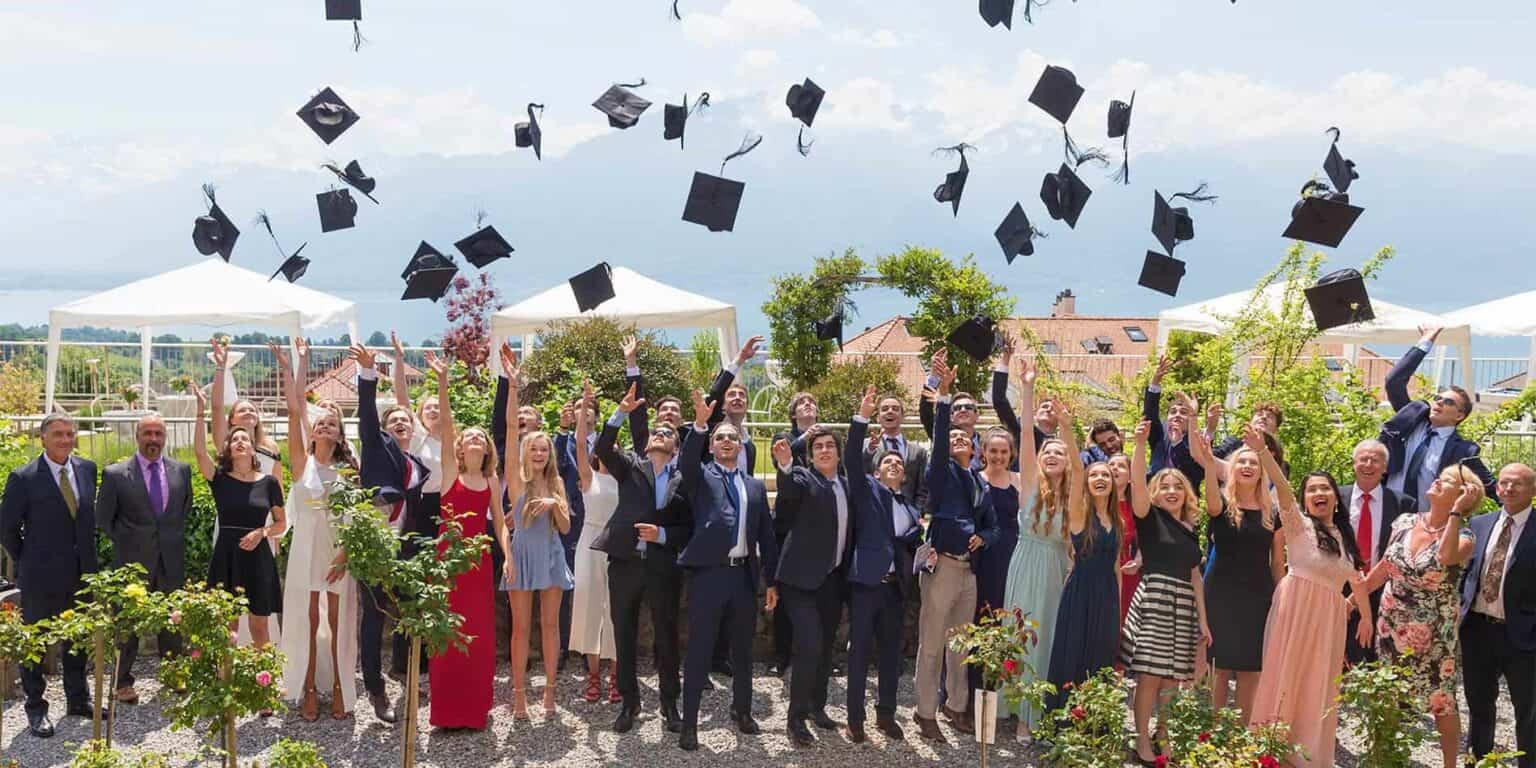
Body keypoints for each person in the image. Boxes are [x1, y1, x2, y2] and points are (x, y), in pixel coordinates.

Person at [1250, 426, 1372, 768]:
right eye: (1312, 489)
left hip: (1329, 618)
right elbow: (1283, 489)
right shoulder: (1297, 524)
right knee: (1285, 673)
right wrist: (1263, 453)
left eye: (1326, 488)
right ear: (1305, 499)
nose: (1319, 493)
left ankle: (1305, 753)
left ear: (1335, 496)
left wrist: (1365, 615)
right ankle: (1270, 747)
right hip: (1296, 608)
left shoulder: (1345, 536)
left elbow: (1357, 579)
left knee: (1318, 683)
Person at [676, 388, 778, 751]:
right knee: (700, 650)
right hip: (710, 576)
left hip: (743, 578)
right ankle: (689, 724)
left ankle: (743, 711)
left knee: (742, 650)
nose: (725, 442)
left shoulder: (753, 486)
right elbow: (687, 461)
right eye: (719, 438)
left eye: (731, 438)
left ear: (740, 445)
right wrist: (701, 426)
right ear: (712, 445)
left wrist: (770, 581)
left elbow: (766, 536)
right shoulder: (702, 477)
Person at [1359, 464, 1481, 768]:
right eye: (1440, 475)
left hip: (1434, 634)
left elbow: (1444, 557)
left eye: (1449, 481)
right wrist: (1352, 600)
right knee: (1388, 692)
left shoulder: (1465, 535)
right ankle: (1386, 758)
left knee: (1442, 702)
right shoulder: (1404, 521)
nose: (1438, 479)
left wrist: (1455, 513)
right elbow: (1386, 567)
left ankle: (1450, 765)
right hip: (1392, 623)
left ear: (1463, 495)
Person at [912, 351, 1000, 743]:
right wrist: (942, 393)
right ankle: (925, 711)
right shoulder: (941, 472)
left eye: (966, 437)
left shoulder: (979, 482)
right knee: (931, 643)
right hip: (943, 565)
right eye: (953, 437)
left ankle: (956, 706)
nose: (960, 438)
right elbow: (939, 427)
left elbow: (994, 526)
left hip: (969, 571)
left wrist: (986, 537)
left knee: (961, 645)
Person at [593, 378, 689, 735]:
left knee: (666, 635)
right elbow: (603, 447)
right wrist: (621, 411)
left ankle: (669, 704)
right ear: (648, 442)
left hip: (663, 567)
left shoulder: (683, 479)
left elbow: (687, 528)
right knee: (625, 634)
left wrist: (662, 534)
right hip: (625, 564)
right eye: (657, 430)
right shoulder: (630, 467)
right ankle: (629, 703)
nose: (661, 433)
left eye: (668, 431)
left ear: (675, 446)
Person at [272, 340, 361, 722]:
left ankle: (340, 685)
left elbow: (358, 521)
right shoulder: (300, 464)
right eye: (320, 422)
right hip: (307, 547)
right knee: (309, 618)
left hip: (337, 550)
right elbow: (295, 411)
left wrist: (346, 554)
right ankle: (309, 686)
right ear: (313, 432)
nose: (324, 425)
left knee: (338, 621)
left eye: (331, 423)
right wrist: (298, 363)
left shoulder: (349, 474)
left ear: (340, 436)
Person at [426, 351, 510, 730]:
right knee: (447, 634)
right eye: (469, 435)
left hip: (479, 563)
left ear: (487, 448)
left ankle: (474, 712)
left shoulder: (491, 481)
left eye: (481, 436)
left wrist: (507, 556)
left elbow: (500, 525)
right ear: (460, 447)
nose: (475, 437)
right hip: (447, 563)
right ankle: (445, 714)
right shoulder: (449, 476)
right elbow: (445, 426)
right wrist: (443, 382)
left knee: (476, 636)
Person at [1, 413, 98, 738]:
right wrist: (28, 559)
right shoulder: (23, 477)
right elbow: (7, 529)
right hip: (39, 575)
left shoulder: (87, 469)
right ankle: (36, 709)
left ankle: (78, 699)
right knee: (36, 646)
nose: (65, 440)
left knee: (77, 640)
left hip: (81, 574)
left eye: (70, 433)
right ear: (43, 438)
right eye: (58, 434)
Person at [1121, 419, 1210, 766]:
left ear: (1186, 494)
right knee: (1150, 675)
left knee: (1174, 676)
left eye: (1178, 486)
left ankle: (1164, 733)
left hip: (1184, 605)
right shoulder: (1149, 517)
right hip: (1155, 599)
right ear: (1156, 493)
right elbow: (1136, 483)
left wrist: (1203, 620)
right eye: (1165, 485)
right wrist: (1141, 445)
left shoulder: (1190, 530)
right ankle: (1141, 739)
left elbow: (1195, 576)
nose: (1171, 490)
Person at [353, 342, 433, 723]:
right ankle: (375, 688)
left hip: (407, 550)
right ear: (386, 429)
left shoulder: (417, 464)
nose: (400, 423)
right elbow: (367, 418)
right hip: (375, 547)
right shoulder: (377, 446)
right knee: (373, 619)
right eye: (394, 420)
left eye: (406, 419)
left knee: (410, 614)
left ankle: (408, 674)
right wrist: (368, 375)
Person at [499, 348, 575, 720]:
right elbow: (512, 428)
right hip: (522, 559)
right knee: (520, 628)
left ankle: (548, 691)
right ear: (527, 452)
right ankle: (517, 696)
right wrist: (513, 384)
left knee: (549, 626)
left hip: (552, 557)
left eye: (545, 449)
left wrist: (554, 506)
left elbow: (565, 528)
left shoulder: (557, 483)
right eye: (535, 448)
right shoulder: (516, 481)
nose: (540, 453)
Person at [845, 385, 923, 743]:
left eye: (898, 464)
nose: (894, 464)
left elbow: (910, 543)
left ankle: (886, 713)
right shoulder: (867, 491)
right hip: (866, 586)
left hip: (895, 590)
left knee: (891, 655)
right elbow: (850, 460)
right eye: (887, 462)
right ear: (876, 473)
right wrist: (861, 417)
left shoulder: (910, 509)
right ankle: (855, 718)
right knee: (859, 652)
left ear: (903, 476)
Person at [97, 413, 191, 705]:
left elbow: (183, 510)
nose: (153, 439)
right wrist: (131, 542)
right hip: (131, 563)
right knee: (127, 625)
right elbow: (104, 519)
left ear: (165, 438)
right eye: (147, 433)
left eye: (158, 434)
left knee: (172, 621)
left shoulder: (182, 470)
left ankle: (174, 674)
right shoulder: (115, 474)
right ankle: (122, 682)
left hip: (170, 559)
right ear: (137, 436)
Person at [1001, 358, 1073, 741]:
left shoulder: (1074, 496)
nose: (1051, 456)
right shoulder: (1028, 484)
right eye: (1049, 453)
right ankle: (1021, 714)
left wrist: (1066, 429)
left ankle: (1043, 709)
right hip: (1027, 563)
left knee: (1049, 639)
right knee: (1023, 634)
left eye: (1058, 453)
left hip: (1057, 568)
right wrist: (1027, 388)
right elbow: (1027, 433)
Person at [1192, 429, 1283, 722]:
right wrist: (1208, 463)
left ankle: (1243, 738)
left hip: (1257, 597)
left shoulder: (1272, 513)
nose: (1246, 466)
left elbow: (1277, 562)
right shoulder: (1222, 505)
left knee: (1250, 668)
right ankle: (1213, 733)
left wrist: (1281, 601)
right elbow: (1209, 502)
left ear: (1261, 472)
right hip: (1220, 594)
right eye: (1240, 462)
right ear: (1232, 470)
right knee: (1217, 666)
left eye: (1253, 463)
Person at [772, 422, 854, 747]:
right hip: (799, 581)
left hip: (832, 580)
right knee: (809, 645)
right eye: (818, 447)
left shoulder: (847, 486)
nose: (824, 450)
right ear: (811, 454)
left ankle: (817, 706)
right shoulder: (805, 478)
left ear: (838, 453)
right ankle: (795, 720)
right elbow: (789, 486)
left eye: (829, 446)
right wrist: (786, 464)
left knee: (825, 648)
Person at [192, 384, 285, 651]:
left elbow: (281, 523)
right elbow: (200, 452)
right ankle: (225, 682)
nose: (241, 442)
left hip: (258, 554)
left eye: (245, 439)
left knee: (260, 626)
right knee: (228, 626)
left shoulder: (268, 483)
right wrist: (200, 412)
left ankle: (263, 684)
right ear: (229, 448)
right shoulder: (219, 479)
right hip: (226, 555)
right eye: (235, 439)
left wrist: (262, 533)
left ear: (254, 448)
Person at [1460, 463, 1536, 768]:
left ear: (1532, 489)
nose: (1508, 489)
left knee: (1527, 711)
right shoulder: (1480, 524)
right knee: (1478, 706)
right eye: (1503, 483)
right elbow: (1465, 574)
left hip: (1522, 635)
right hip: (1477, 630)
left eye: (1517, 483)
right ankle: (1477, 761)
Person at [1380, 325, 1498, 509]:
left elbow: (1493, 487)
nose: (1439, 403)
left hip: (1425, 524)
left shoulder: (1464, 451)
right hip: (1387, 514)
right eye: (1437, 398)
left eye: (1449, 402)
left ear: (1460, 415)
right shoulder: (1411, 422)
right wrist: (1426, 341)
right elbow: (1394, 382)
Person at [1340, 438, 1416, 664]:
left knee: (1377, 656)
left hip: (1383, 592)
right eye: (1363, 459)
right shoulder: (1336, 498)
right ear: (1354, 463)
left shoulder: (1404, 504)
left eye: (1376, 460)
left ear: (1385, 468)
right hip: (1340, 589)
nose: (1368, 465)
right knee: (1336, 655)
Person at [568, 385, 620, 704]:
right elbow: (577, 444)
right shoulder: (589, 477)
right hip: (589, 539)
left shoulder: (626, 479)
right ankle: (593, 675)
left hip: (616, 544)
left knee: (615, 610)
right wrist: (584, 408)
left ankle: (615, 677)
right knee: (588, 605)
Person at [768, 388, 819, 677]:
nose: (808, 405)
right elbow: (782, 459)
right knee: (785, 596)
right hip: (788, 527)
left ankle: (817, 655)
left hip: (818, 526)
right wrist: (805, 437)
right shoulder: (782, 438)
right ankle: (781, 655)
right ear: (794, 413)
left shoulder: (824, 442)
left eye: (811, 402)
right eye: (802, 403)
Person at [1142, 355, 1206, 494]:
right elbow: (1150, 415)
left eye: (1183, 412)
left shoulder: (1198, 442)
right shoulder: (1160, 435)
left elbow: (1193, 473)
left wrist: (1177, 444)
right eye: (1173, 412)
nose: (1177, 415)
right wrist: (1155, 383)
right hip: (1155, 498)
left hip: (1184, 504)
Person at [918, 348, 984, 469]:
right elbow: (926, 412)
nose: (963, 410)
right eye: (957, 408)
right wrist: (934, 377)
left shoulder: (986, 443)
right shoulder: (943, 436)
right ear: (951, 416)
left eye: (968, 407)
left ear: (977, 415)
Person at [863, 392, 927, 508]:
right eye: (885, 409)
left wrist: (917, 513)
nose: (890, 411)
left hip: (907, 514)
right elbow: (858, 474)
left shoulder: (918, 452)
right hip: (876, 511)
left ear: (903, 416)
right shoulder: (866, 446)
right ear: (878, 418)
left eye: (895, 409)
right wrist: (869, 451)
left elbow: (922, 488)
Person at [1110, 453, 1141, 627]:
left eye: (1121, 466)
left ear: (1130, 478)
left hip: (1126, 570)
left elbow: (1147, 539)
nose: (1114, 468)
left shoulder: (1135, 506)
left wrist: (1137, 562)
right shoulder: (1093, 502)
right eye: (1111, 464)